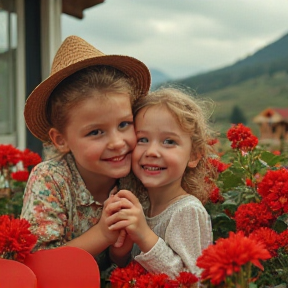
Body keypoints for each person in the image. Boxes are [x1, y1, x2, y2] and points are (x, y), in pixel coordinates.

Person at [20, 35, 151, 273]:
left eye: (124, 124)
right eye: (96, 132)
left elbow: (125, 264)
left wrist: (120, 253)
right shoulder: (51, 179)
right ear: (61, 140)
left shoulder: (138, 174)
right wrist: (102, 234)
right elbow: (37, 265)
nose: (117, 142)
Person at [106, 87, 217, 279]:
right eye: (142, 139)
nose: (152, 151)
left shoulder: (187, 211)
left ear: (194, 155)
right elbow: (130, 270)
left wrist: (144, 235)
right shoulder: (143, 204)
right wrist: (120, 252)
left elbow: (192, 281)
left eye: (169, 141)